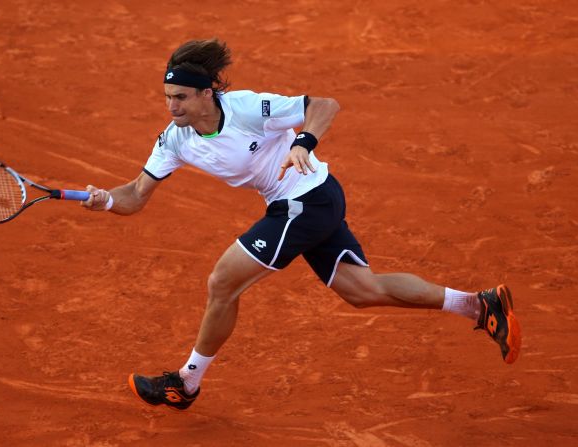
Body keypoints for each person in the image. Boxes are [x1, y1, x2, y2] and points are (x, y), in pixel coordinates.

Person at [82, 38, 521, 411]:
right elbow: (136, 195)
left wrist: (304, 142)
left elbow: (324, 105)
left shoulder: (246, 108)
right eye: (167, 96)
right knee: (363, 291)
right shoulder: (175, 139)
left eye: (180, 97)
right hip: (307, 202)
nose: (171, 105)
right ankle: (479, 305)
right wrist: (103, 201)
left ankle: (186, 382)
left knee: (222, 283)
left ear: (205, 95)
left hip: (305, 200)